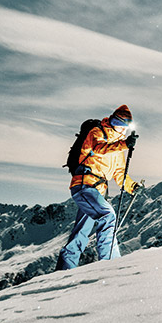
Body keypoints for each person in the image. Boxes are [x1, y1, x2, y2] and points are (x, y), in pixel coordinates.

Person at [56, 105, 141, 270]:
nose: (120, 128)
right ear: (112, 121)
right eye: (117, 123)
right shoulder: (97, 132)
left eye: (124, 125)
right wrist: (124, 145)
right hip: (84, 185)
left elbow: (119, 173)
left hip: (97, 191)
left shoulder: (118, 147)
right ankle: (111, 265)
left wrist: (132, 186)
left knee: (81, 232)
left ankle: (64, 270)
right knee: (108, 215)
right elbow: (98, 148)